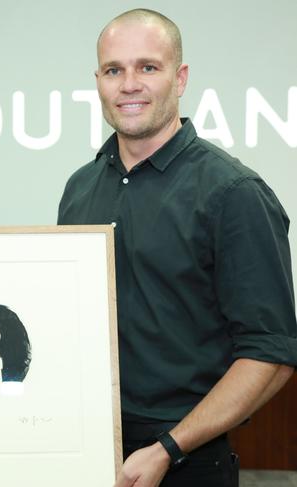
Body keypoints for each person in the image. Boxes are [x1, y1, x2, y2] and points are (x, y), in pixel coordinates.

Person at [58, 9, 297, 487]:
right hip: (85, 451)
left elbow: (270, 353)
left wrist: (169, 447)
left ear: (180, 77)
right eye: (113, 70)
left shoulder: (233, 192)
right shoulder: (79, 188)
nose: (129, 84)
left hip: (187, 461)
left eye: (148, 67)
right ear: (98, 82)